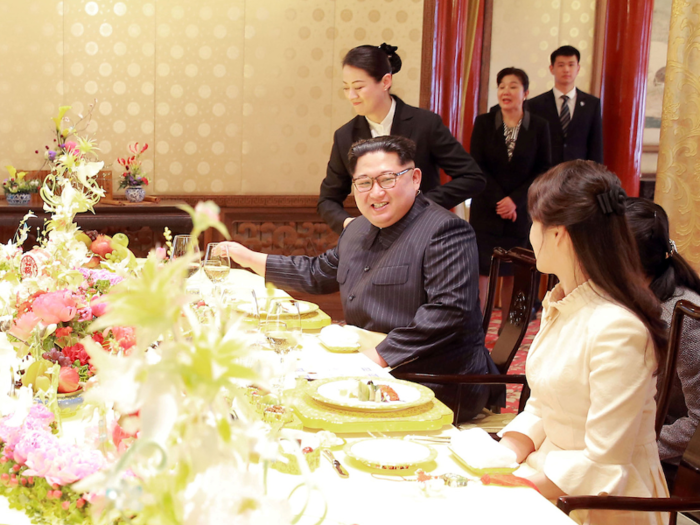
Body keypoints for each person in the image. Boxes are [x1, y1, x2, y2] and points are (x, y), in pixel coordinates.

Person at [220, 136, 500, 422]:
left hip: (435, 376)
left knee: (299, 403)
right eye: (364, 183)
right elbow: (317, 273)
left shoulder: (446, 231)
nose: (376, 193)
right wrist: (248, 258)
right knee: (268, 380)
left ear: (415, 179)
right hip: (373, 364)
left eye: (387, 179)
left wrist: (374, 358)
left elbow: (449, 313)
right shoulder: (357, 230)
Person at [496, 161, 669, 525]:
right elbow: (543, 405)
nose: (530, 233)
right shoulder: (563, 301)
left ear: (558, 234)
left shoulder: (618, 328)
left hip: (605, 499)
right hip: (550, 474)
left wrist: (516, 484)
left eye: (534, 222)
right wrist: (503, 455)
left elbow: (604, 461)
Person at [317, 43, 486, 235]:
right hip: (374, 240)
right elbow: (327, 200)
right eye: (346, 88)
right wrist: (349, 224)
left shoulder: (425, 124)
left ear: (385, 81)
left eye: (359, 87)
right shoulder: (345, 136)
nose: (351, 96)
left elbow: (473, 177)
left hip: (424, 234)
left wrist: (420, 207)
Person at [627, 197, 700, 491]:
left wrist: (638, 446)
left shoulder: (684, 316)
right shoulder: (634, 296)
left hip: (675, 464)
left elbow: (697, 421)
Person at [469, 67, 551, 323]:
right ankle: (476, 329)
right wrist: (499, 200)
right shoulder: (484, 122)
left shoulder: (539, 126)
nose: (506, 91)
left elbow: (543, 169)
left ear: (525, 93)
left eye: (513, 86)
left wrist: (513, 200)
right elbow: (476, 165)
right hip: (486, 208)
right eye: (502, 86)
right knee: (483, 270)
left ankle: (508, 331)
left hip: (520, 211)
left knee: (513, 271)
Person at [527, 45, 603, 166]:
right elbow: (531, 144)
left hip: (579, 174)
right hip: (546, 174)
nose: (566, 69)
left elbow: (596, 145)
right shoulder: (535, 105)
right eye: (561, 65)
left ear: (578, 69)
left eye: (571, 65)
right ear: (552, 69)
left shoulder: (592, 104)